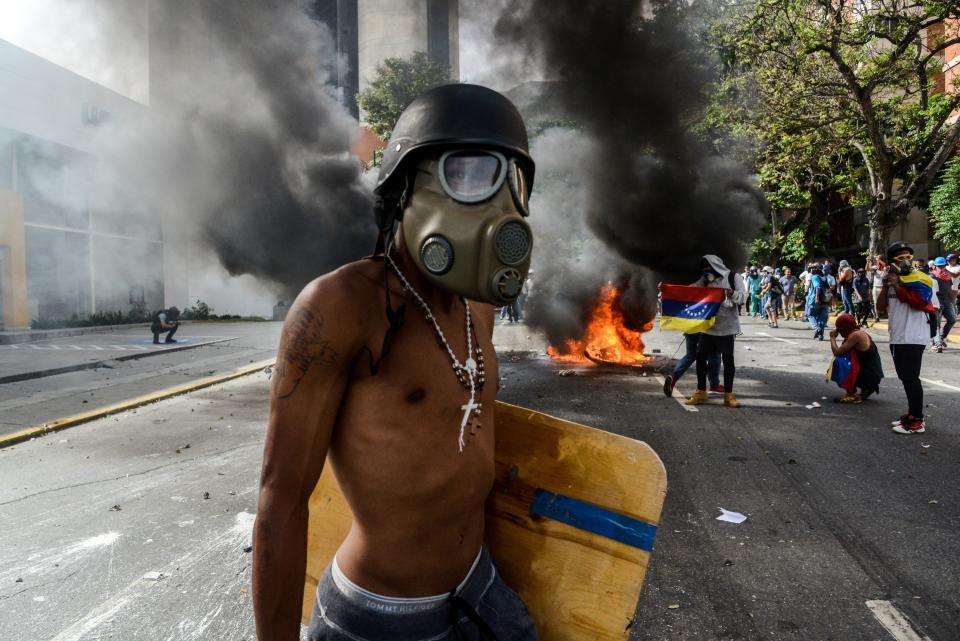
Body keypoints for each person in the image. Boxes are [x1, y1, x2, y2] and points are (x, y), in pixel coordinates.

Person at [252, 84, 539, 641]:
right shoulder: (340, 307)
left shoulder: (477, 305)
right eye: (473, 174)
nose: (497, 204)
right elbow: (280, 501)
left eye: (512, 182)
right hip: (383, 619)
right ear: (405, 187)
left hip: (479, 588)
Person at [876, 241, 932, 434]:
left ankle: (917, 421)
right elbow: (880, 308)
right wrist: (886, 285)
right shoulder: (891, 281)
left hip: (914, 336)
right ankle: (911, 414)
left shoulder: (921, 279)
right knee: (905, 377)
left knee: (911, 378)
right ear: (892, 262)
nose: (906, 260)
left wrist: (898, 284)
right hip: (897, 336)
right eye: (901, 257)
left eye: (909, 256)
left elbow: (919, 302)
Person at [686, 255, 747, 408]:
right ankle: (701, 392)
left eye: (709, 270)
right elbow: (691, 289)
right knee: (700, 358)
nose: (707, 273)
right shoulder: (706, 280)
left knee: (728, 361)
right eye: (704, 271)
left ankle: (728, 395)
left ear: (716, 267)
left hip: (726, 329)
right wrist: (667, 289)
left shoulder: (734, 277)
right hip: (708, 328)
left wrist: (731, 293)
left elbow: (743, 299)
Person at [828, 313, 883, 403]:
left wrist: (832, 338)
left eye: (839, 328)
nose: (838, 331)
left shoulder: (856, 335)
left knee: (839, 362)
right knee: (843, 360)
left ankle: (852, 393)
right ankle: (865, 388)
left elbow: (837, 352)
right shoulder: (856, 332)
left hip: (870, 376)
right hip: (870, 373)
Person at [662, 332, 721, 397]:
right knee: (714, 354)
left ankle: (673, 377)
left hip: (691, 327)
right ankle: (714, 386)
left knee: (690, 355)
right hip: (707, 329)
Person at [931, 256, 955, 350]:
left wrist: (952, 301)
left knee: (952, 319)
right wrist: (936, 303)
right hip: (936, 300)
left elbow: (949, 289)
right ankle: (935, 343)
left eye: (943, 266)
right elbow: (932, 291)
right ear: (935, 266)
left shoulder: (947, 276)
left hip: (946, 300)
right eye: (939, 266)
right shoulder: (932, 276)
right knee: (936, 322)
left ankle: (941, 337)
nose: (941, 268)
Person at [807, 265, 831, 340]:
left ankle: (816, 328)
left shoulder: (815, 277)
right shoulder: (824, 277)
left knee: (810, 315)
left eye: (812, 268)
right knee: (822, 318)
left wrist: (817, 298)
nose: (811, 269)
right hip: (825, 300)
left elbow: (817, 287)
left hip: (815, 299)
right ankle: (820, 336)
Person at [866, 256, 884, 322]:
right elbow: (867, 269)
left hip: (883, 287)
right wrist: (868, 262)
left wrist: (879, 259)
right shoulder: (875, 267)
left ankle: (889, 316)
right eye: (877, 260)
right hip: (875, 287)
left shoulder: (885, 267)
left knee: (886, 303)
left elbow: (885, 265)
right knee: (875, 302)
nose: (877, 261)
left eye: (878, 260)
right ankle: (877, 316)